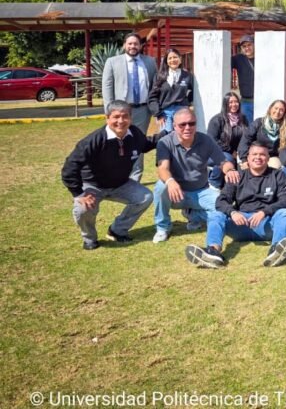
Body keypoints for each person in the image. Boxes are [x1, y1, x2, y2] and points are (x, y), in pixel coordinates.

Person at [61, 101, 164, 250]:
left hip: (120, 184)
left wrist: (169, 134)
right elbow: (70, 167)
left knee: (146, 197)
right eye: (116, 117)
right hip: (93, 186)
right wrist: (79, 194)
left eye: (125, 116)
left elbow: (146, 144)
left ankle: (117, 230)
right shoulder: (94, 140)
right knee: (83, 208)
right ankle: (89, 238)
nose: (121, 121)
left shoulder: (134, 133)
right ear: (107, 118)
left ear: (131, 118)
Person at [185, 142, 286, 269]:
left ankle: (276, 250)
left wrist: (264, 212)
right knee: (216, 214)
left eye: (262, 155)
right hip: (240, 225)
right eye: (254, 154)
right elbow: (221, 201)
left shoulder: (278, 175)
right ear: (247, 158)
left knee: (284, 213)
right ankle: (213, 252)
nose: (258, 157)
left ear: (268, 158)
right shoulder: (238, 176)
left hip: (266, 225)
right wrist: (233, 212)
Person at [152, 108, 241, 243]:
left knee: (224, 210)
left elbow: (223, 162)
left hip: (201, 191)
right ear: (174, 126)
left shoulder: (206, 140)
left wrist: (230, 170)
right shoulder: (164, 142)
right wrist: (170, 181)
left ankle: (194, 215)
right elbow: (162, 168)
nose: (188, 127)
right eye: (182, 124)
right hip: (176, 193)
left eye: (191, 123)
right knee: (160, 187)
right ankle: (163, 227)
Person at [101, 32, 158, 181]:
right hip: (120, 112)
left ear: (140, 46)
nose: (133, 46)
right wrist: (109, 110)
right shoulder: (112, 62)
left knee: (138, 143)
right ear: (124, 45)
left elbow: (155, 86)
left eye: (136, 44)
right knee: (116, 142)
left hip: (142, 111)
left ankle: (135, 179)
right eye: (130, 43)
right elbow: (107, 87)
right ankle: (116, 176)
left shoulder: (150, 62)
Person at [237, 99, 286, 169]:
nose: (277, 112)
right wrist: (244, 159)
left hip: (271, 157)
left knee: (274, 168)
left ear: (284, 113)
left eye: (281, 110)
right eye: (276, 108)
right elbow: (246, 140)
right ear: (270, 109)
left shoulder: (284, 127)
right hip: (256, 154)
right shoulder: (259, 122)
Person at [206, 92, 249, 189]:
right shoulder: (217, 120)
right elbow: (212, 140)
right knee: (228, 159)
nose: (234, 104)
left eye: (236, 102)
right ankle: (214, 183)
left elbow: (247, 138)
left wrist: (243, 153)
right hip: (215, 153)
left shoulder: (243, 119)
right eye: (230, 102)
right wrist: (231, 151)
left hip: (237, 153)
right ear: (225, 104)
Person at [147, 47, 195, 132]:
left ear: (180, 59)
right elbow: (152, 97)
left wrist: (188, 102)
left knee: (182, 136)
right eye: (170, 58)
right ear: (166, 61)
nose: (173, 60)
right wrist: (158, 114)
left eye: (175, 57)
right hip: (165, 113)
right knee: (166, 137)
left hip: (182, 111)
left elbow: (193, 93)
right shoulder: (159, 76)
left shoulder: (188, 76)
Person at [231, 34, 256, 124]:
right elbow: (223, 64)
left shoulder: (263, 57)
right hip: (246, 101)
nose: (247, 48)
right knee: (247, 128)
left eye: (249, 45)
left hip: (262, 100)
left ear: (254, 45)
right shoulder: (238, 59)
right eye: (244, 46)